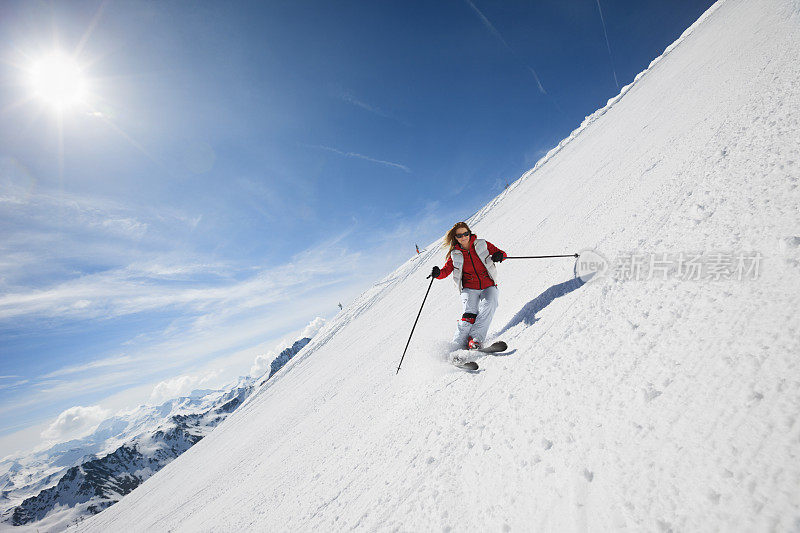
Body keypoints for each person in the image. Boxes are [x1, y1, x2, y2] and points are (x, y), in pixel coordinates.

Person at [429, 222, 506, 350]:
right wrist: (437, 273)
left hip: (488, 285)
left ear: (469, 233)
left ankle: (474, 340)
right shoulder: (455, 254)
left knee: (490, 304)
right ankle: (456, 346)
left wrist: (499, 256)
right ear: (455, 238)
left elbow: (501, 253)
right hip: (470, 288)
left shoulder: (482, 244)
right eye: (459, 235)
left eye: (466, 233)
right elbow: (445, 272)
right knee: (469, 315)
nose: (463, 237)